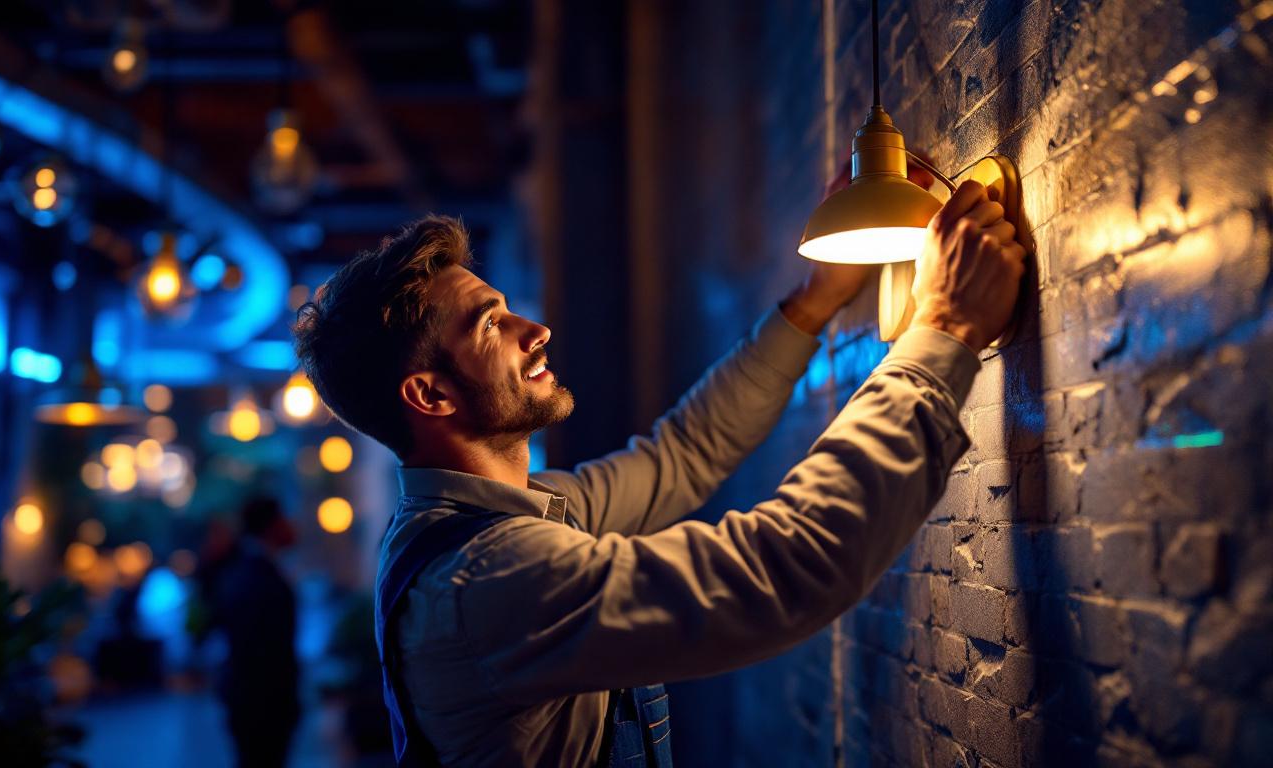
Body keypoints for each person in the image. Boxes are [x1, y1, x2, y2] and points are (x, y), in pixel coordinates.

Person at [292, 176, 1024, 767]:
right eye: (490, 324)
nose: (534, 331)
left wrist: (817, 298)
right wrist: (944, 330)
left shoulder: (511, 519)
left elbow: (684, 454)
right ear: (430, 394)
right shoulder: (491, 579)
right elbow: (789, 568)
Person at [211, 496, 301, 768]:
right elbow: (263, 650)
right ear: (271, 526)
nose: (291, 525)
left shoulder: (245, 572)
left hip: (252, 700)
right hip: (261, 704)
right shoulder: (257, 577)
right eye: (285, 518)